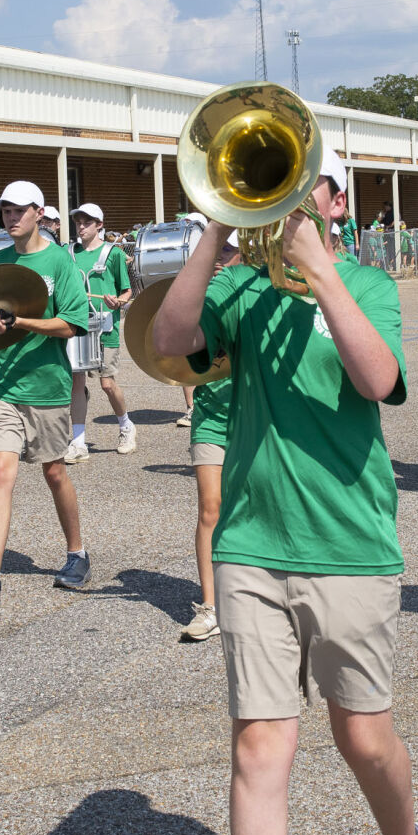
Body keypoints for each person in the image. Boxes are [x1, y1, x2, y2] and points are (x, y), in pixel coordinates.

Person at [152, 153, 418, 835]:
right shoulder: (239, 292)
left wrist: (320, 273)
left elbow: (379, 381)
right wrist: (213, 226)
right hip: (250, 544)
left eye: (301, 184)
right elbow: (170, 342)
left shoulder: (365, 282)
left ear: (335, 197)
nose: (285, 201)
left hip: (351, 545)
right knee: (259, 748)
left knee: (363, 735)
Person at [0, 181, 91, 608]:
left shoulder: (59, 262)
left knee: (54, 473)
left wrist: (22, 323)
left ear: (38, 212)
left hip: (48, 387)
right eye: (5, 212)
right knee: (2, 473)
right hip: (4, 387)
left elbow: (72, 323)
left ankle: (77, 553)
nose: (10, 218)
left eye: (17, 211)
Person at [182, 238, 240, 644]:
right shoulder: (196, 295)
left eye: (229, 251)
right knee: (210, 507)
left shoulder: (258, 293)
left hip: (254, 413)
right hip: (210, 415)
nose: (221, 258)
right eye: (217, 251)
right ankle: (211, 606)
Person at [63, 203, 135, 463]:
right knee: (77, 382)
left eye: (87, 222)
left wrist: (119, 300)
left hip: (106, 327)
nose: (81, 227)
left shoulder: (112, 254)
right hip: (78, 325)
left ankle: (126, 426)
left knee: (107, 383)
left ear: (99, 225)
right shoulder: (68, 253)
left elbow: (127, 291)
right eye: (78, 222)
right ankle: (79, 442)